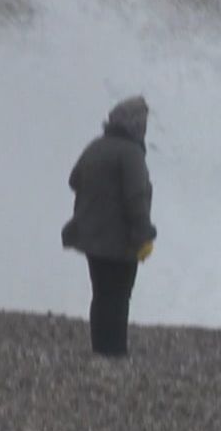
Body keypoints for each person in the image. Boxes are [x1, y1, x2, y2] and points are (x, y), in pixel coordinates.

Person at [61, 95, 157, 357]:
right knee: (119, 295)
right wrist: (144, 235)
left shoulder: (96, 146)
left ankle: (100, 348)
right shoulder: (131, 153)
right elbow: (136, 197)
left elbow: (74, 180)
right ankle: (115, 351)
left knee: (101, 293)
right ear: (136, 125)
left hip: (92, 237)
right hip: (121, 240)